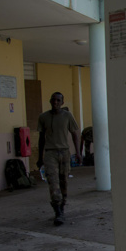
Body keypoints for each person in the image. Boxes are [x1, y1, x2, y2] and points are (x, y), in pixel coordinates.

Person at [37, 92, 81, 226]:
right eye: (53, 100)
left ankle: (62, 208)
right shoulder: (43, 117)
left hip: (65, 153)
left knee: (64, 182)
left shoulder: (67, 116)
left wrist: (78, 153)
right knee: (53, 182)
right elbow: (41, 138)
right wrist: (40, 157)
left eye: (58, 100)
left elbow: (74, 134)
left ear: (62, 102)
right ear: (50, 101)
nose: (55, 102)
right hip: (50, 153)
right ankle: (57, 212)